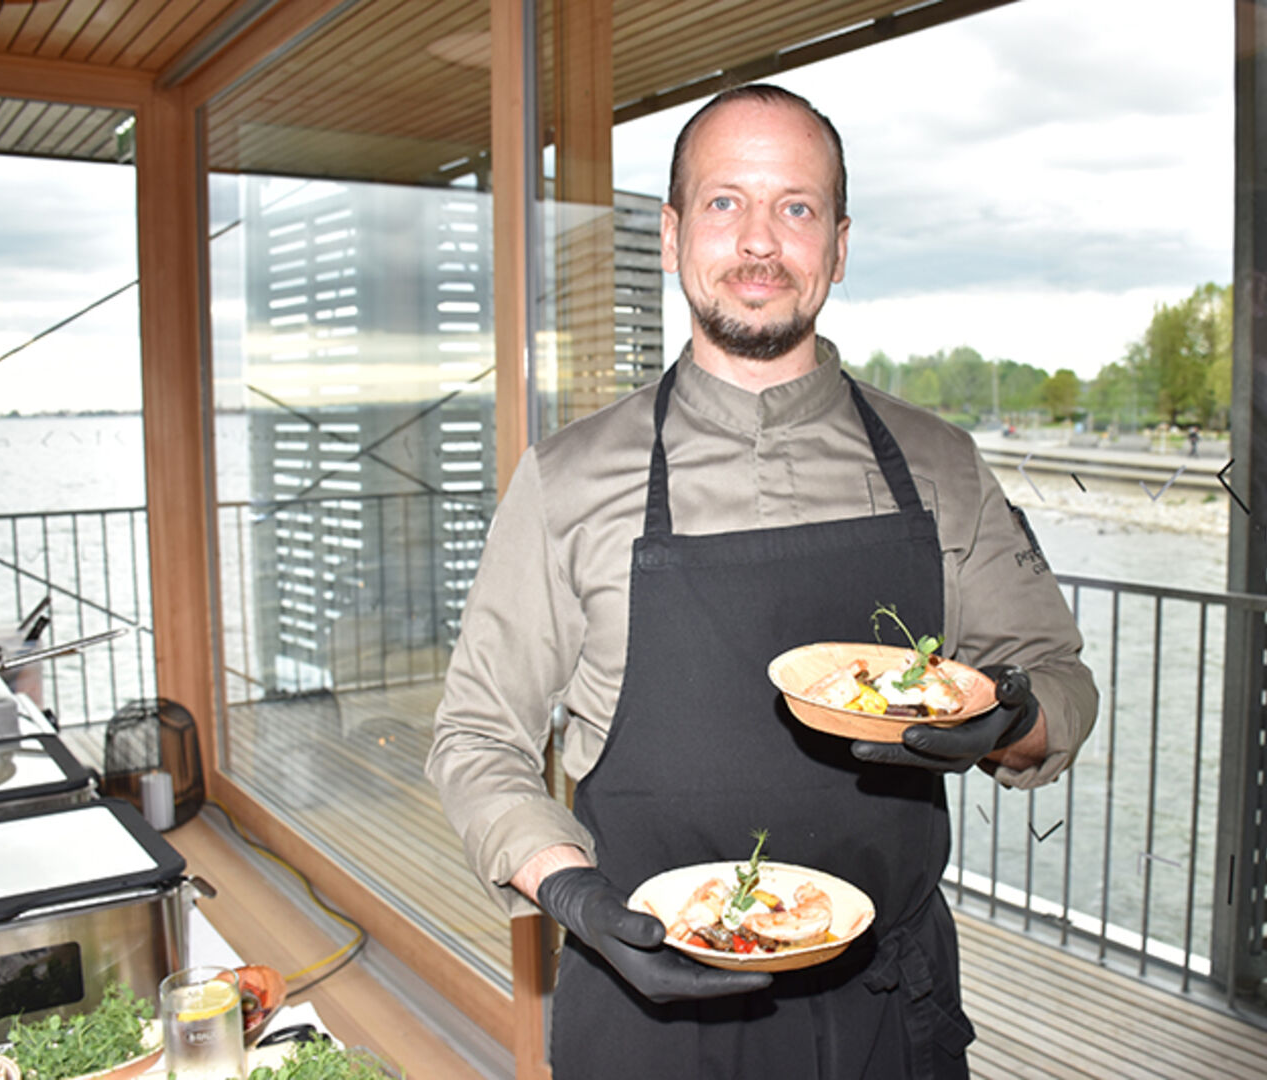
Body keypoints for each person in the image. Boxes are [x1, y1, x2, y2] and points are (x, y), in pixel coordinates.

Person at [427, 83, 1098, 1079]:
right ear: (669, 234)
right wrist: (570, 894)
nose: (758, 243)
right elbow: (477, 738)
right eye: (722, 202)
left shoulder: (940, 464)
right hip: (648, 1010)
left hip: (889, 1016)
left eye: (794, 208)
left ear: (835, 245)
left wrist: (1007, 720)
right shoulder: (567, 478)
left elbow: (1058, 679)